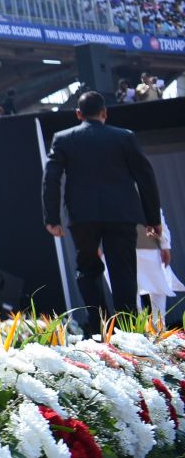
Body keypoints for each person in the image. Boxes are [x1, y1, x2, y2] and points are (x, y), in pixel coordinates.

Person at [43, 89, 162, 336]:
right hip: (121, 214)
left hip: (83, 216)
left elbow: (51, 179)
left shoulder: (63, 138)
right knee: (123, 271)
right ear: (105, 113)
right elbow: (146, 177)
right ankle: (129, 334)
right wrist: (153, 219)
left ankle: (98, 329)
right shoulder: (124, 137)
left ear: (78, 114)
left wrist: (52, 218)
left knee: (87, 269)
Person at [137, 208, 183, 327]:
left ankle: (153, 328)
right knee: (156, 281)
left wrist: (164, 243)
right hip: (140, 235)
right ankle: (155, 328)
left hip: (140, 236)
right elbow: (154, 208)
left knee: (155, 282)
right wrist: (164, 243)